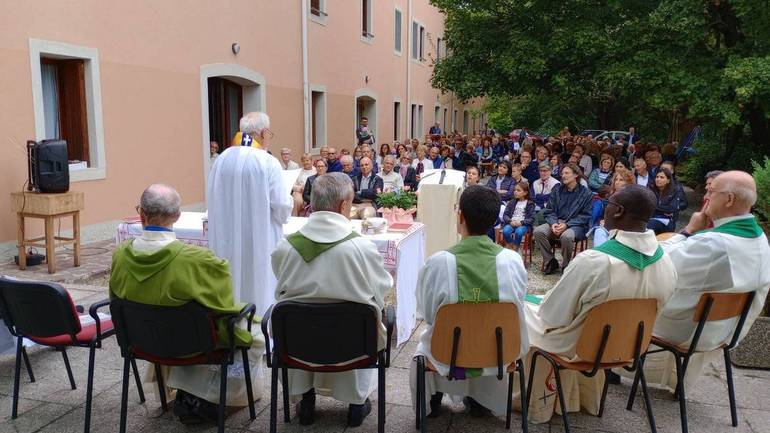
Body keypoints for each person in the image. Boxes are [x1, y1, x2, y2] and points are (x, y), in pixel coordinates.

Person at [111, 184, 265, 424]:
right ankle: (218, 397)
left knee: (173, 323)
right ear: (177, 215)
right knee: (256, 335)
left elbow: (116, 300)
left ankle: (180, 389)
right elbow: (223, 308)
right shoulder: (199, 260)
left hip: (144, 341)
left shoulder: (120, 255)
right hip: (192, 345)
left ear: (141, 214)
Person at [523, 184, 677, 424]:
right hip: (629, 345)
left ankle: (532, 401)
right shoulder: (667, 262)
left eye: (608, 204)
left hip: (578, 346)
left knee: (523, 309)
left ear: (618, 211)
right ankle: (583, 398)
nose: (604, 210)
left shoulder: (594, 261)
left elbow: (553, 315)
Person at [271, 173, 393, 427]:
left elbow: (281, 288)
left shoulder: (286, 247)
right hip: (353, 345)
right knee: (362, 317)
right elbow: (381, 289)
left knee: (303, 321)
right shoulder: (361, 247)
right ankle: (356, 404)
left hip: (298, 343)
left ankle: (305, 400)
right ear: (343, 206)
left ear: (312, 203)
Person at [637, 171, 770, 393]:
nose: (705, 197)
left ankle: (611, 362)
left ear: (729, 199)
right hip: (724, 331)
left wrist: (688, 231)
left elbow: (658, 263)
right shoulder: (759, 239)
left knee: (625, 293)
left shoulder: (714, 243)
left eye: (711, 191)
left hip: (687, 329)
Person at [412, 185, 529, 418]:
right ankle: (482, 399)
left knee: (427, 346)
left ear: (460, 216)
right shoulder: (513, 261)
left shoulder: (437, 262)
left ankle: (433, 400)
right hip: (498, 353)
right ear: (495, 221)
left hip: (448, 353)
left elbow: (426, 312)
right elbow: (519, 303)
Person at [207, 112, 292, 316]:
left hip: (227, 238)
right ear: (263, 133)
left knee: (231, 279)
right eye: (270, 133)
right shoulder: (268, 162)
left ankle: (229, 324)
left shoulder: (222, 159)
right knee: (259, 284)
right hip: (260, 239)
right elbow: (281, 207)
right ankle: (259, 333)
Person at [534, 163, 593, 274]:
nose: (563, 176)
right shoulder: (557, 190)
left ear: (576, 175)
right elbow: (549, 210)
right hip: (557, 222)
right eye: (562, 173)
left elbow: (585, 215)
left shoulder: (586, 193)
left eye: (567, 173)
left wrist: (567, 224)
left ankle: (566, 265)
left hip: (576, 225)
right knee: (538, 231)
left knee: (567, 236)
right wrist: (553, 223)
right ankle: (551, 261)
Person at [501, 181, 535, 251]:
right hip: (512, 223)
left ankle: (516, 247)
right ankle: (512, 246)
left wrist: (521, 222)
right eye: (514, 190)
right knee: (506, 231)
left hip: (523, 225)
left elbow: (532, 218)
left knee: (518, 232)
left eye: (518, 190)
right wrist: (510, 221)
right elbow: (505, 214)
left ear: (525, 193)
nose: (515, 192)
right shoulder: (512, 202)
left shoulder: (530, 204)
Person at [647, 168, 679, 234]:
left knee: (650, 225)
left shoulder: (674, 192)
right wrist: (662, 209)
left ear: (668, 180)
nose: (658, 179)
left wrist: (655, 207)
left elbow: (672, 209)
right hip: (651, 218)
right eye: (657, 177)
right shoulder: (650, 189)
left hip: (667, 221)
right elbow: (646, 205)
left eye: (662, 177)